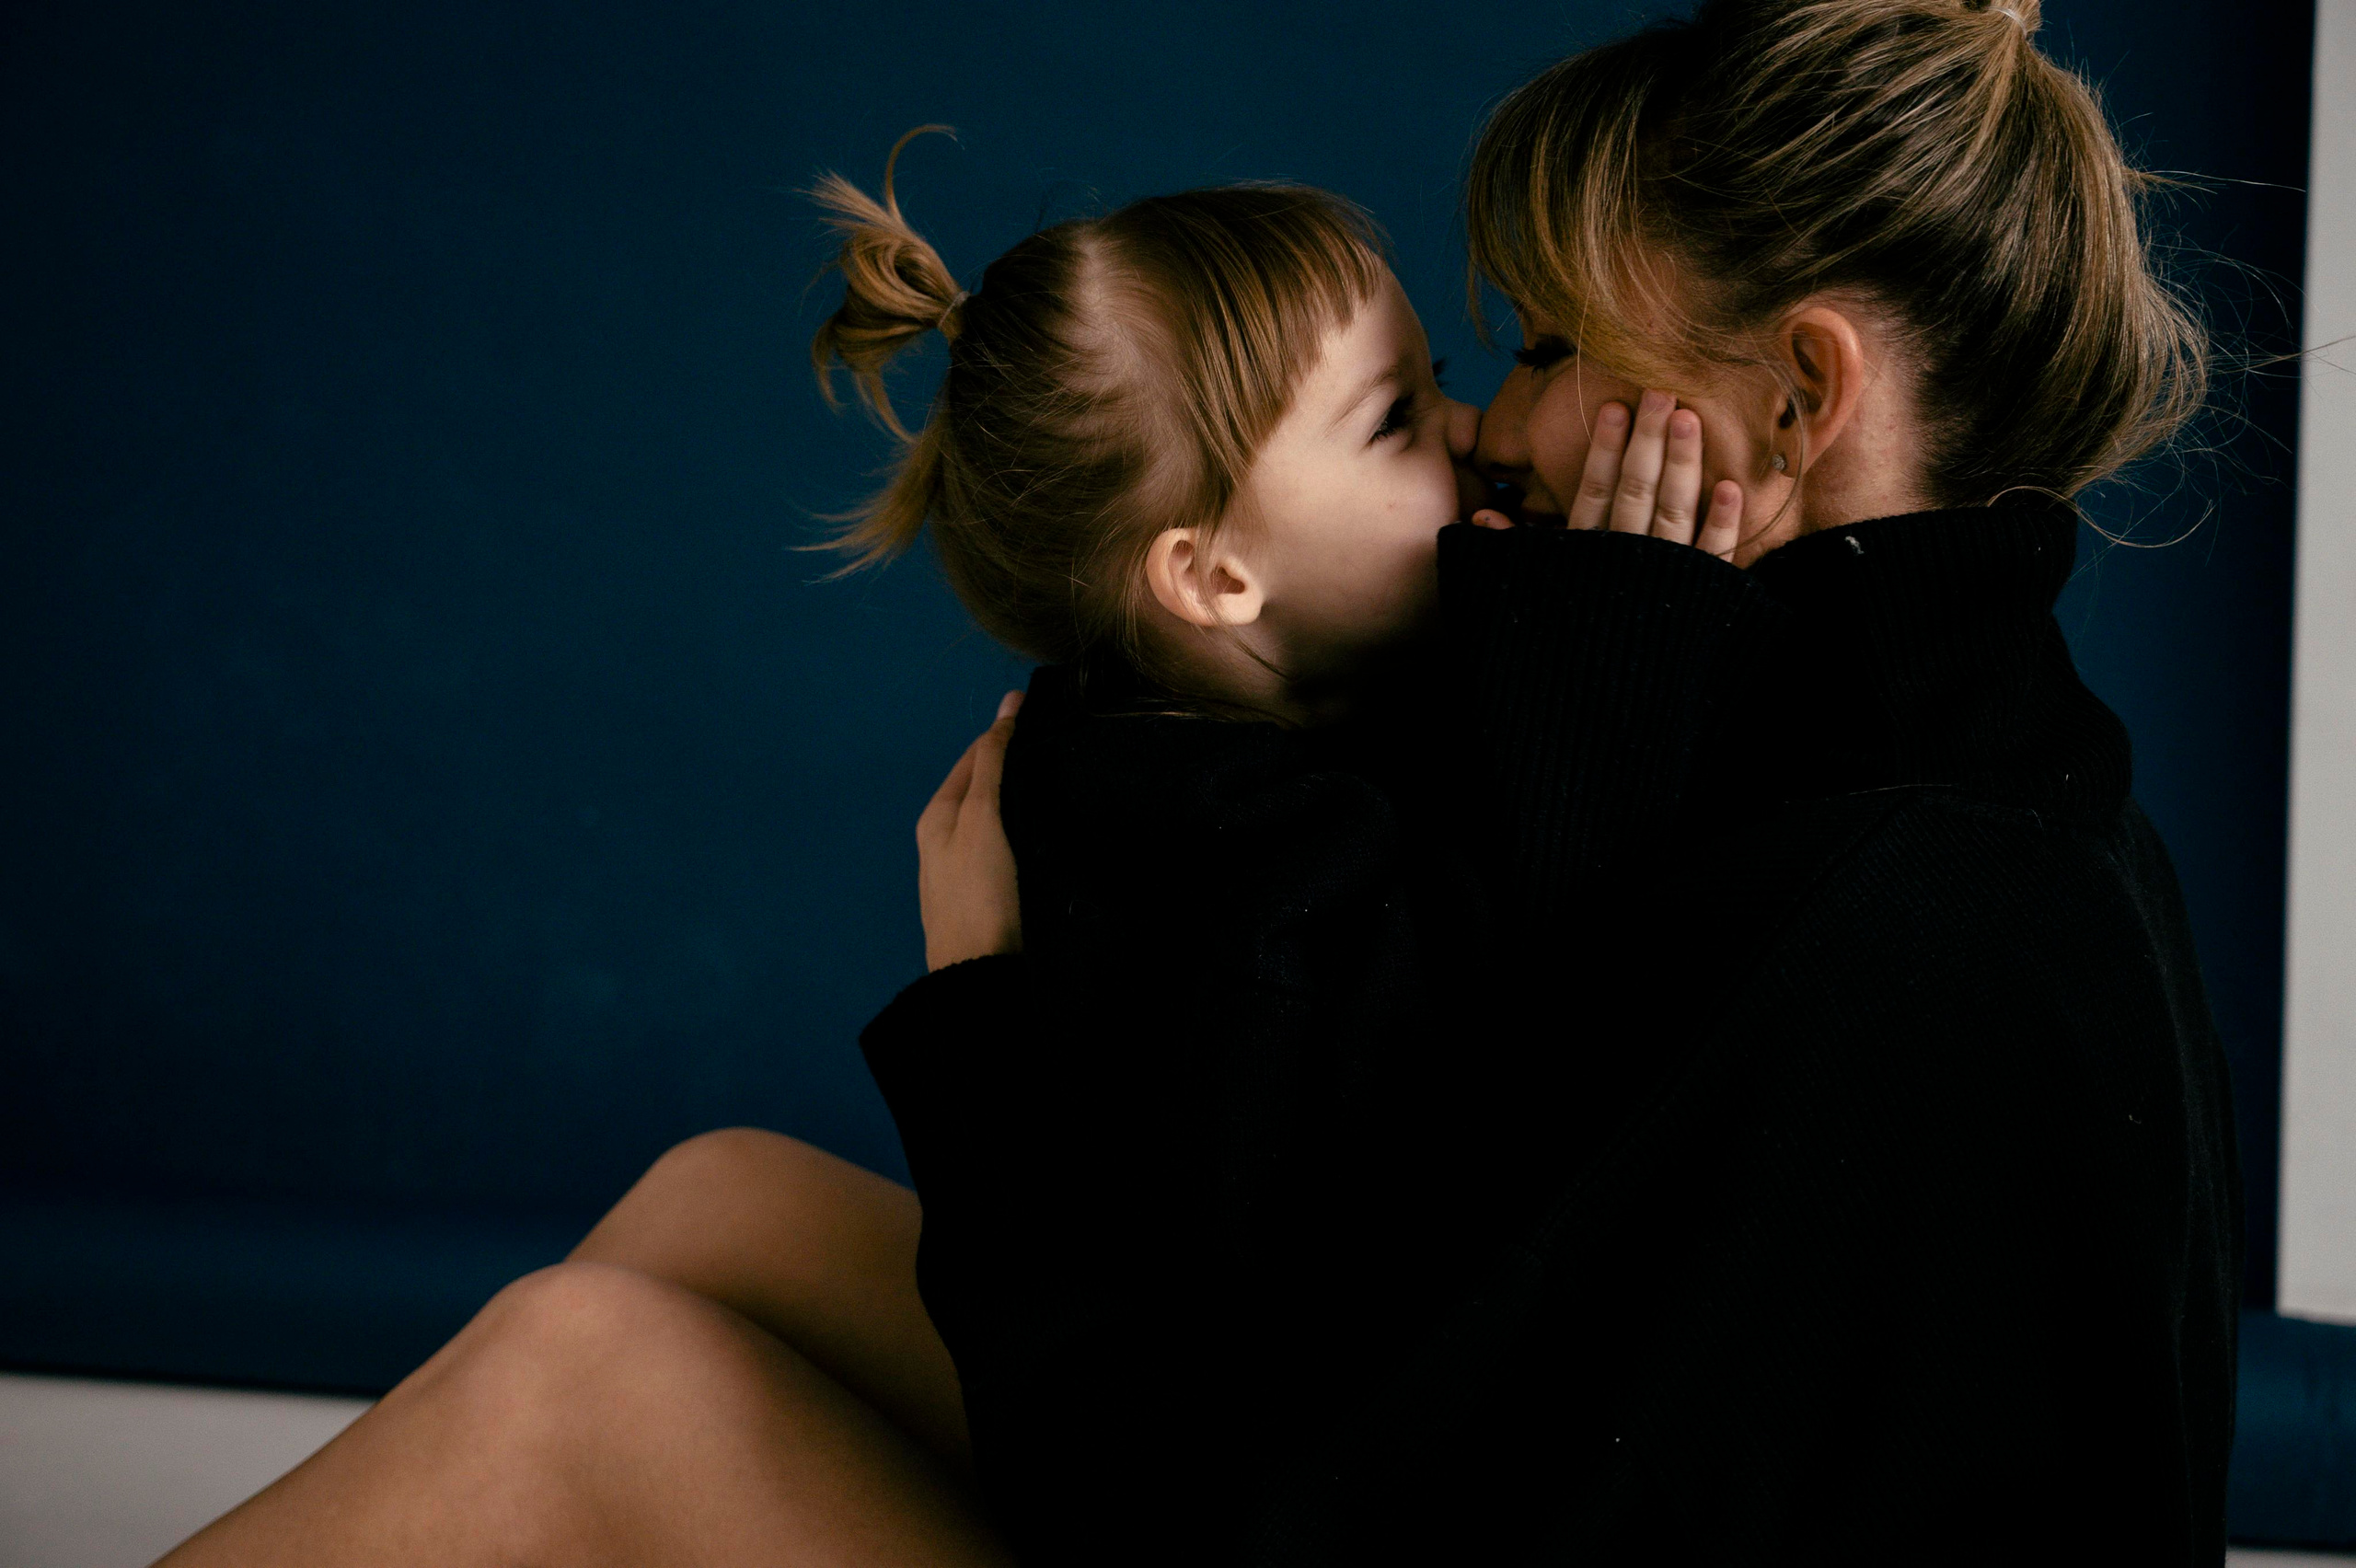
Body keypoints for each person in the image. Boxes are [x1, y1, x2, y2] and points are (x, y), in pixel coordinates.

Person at [159, 0, 2240, 1560]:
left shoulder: (1886, 910)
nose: (1495, 438)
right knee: (716, 1202)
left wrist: (982, 1014)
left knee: (574, 1391)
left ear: (1793, 397)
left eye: (1534, 349)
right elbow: (1380, 1235)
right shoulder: (1894, 755)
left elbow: (1219, 1484)